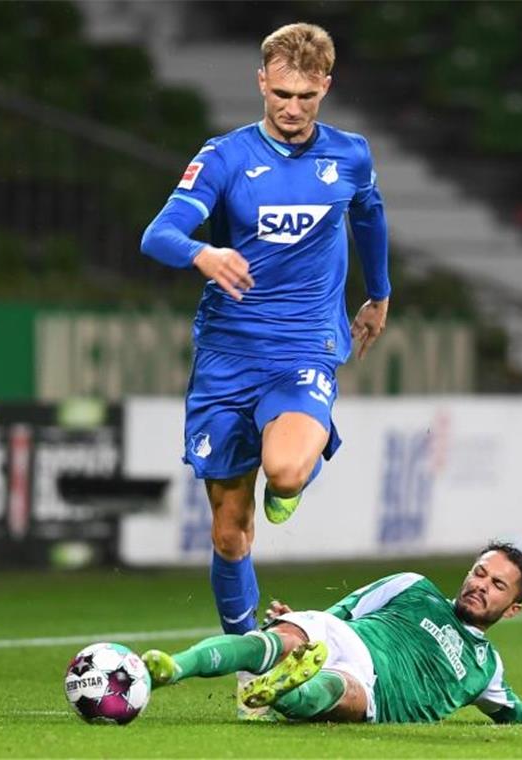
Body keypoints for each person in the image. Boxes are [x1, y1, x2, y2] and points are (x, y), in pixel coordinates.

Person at [139, 23, 391, 716]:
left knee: (283, 471)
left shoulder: (350, 156)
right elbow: (156, 233)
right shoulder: (224, 158)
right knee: (228, 530)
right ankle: (249, 661)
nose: (292, 107)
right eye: (281, 93)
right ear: (261, 83)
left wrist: (380, 293)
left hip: (306, 348)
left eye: (306, 95)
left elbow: (369, 215)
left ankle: (293, 477)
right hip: (227, 357)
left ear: (325, 89)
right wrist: (203, 255)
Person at [141, 542, 522, 727]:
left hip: (374, 690)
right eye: (480, 573)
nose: (481, 585)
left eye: (497, 585)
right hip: (346, 637)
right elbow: (341, 612)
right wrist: (300, 617)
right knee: (286, 636)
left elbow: (520, 715)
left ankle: (282, 690)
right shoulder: (413, 586)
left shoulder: (487, 669)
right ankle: (171, 667)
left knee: (339, 693)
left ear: (513, 609)